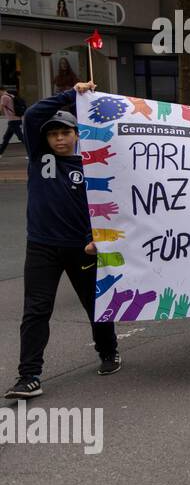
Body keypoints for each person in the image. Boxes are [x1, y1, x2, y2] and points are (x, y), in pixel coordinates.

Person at [7, 81, 119, 399]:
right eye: (53, 134)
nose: (58, 139)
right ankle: (29, 375)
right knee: (36, 309)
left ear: (76, 134)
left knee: (95, 305)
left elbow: (104, 209)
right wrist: (72, 94)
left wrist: (93, 238)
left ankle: (109, 351)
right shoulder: (38, 156)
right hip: (41, 245)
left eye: (64, 133)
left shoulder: (91, 167)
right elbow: (31, 117)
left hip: (80, 247)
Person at [1, 86, 24, 155]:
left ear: (1, 90)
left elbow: (1, 107)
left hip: (13, 120)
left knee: (21, 138)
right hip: (16, 119)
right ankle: (0, 153)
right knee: (6, 137)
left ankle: (33, 152)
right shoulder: (11, 96)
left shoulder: (4, 97)